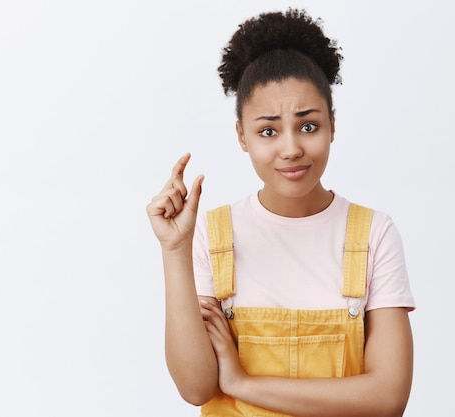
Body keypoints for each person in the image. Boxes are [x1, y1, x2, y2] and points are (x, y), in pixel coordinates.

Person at [146, 8, 415, 417]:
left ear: (332, 125)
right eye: (268, 130)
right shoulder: (212, 234)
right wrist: (174, 250)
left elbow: (387, 398)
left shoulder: (373, 233)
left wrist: (242, 384)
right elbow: (196, 386)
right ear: (242, 136)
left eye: (308, 126)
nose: (290, 148)